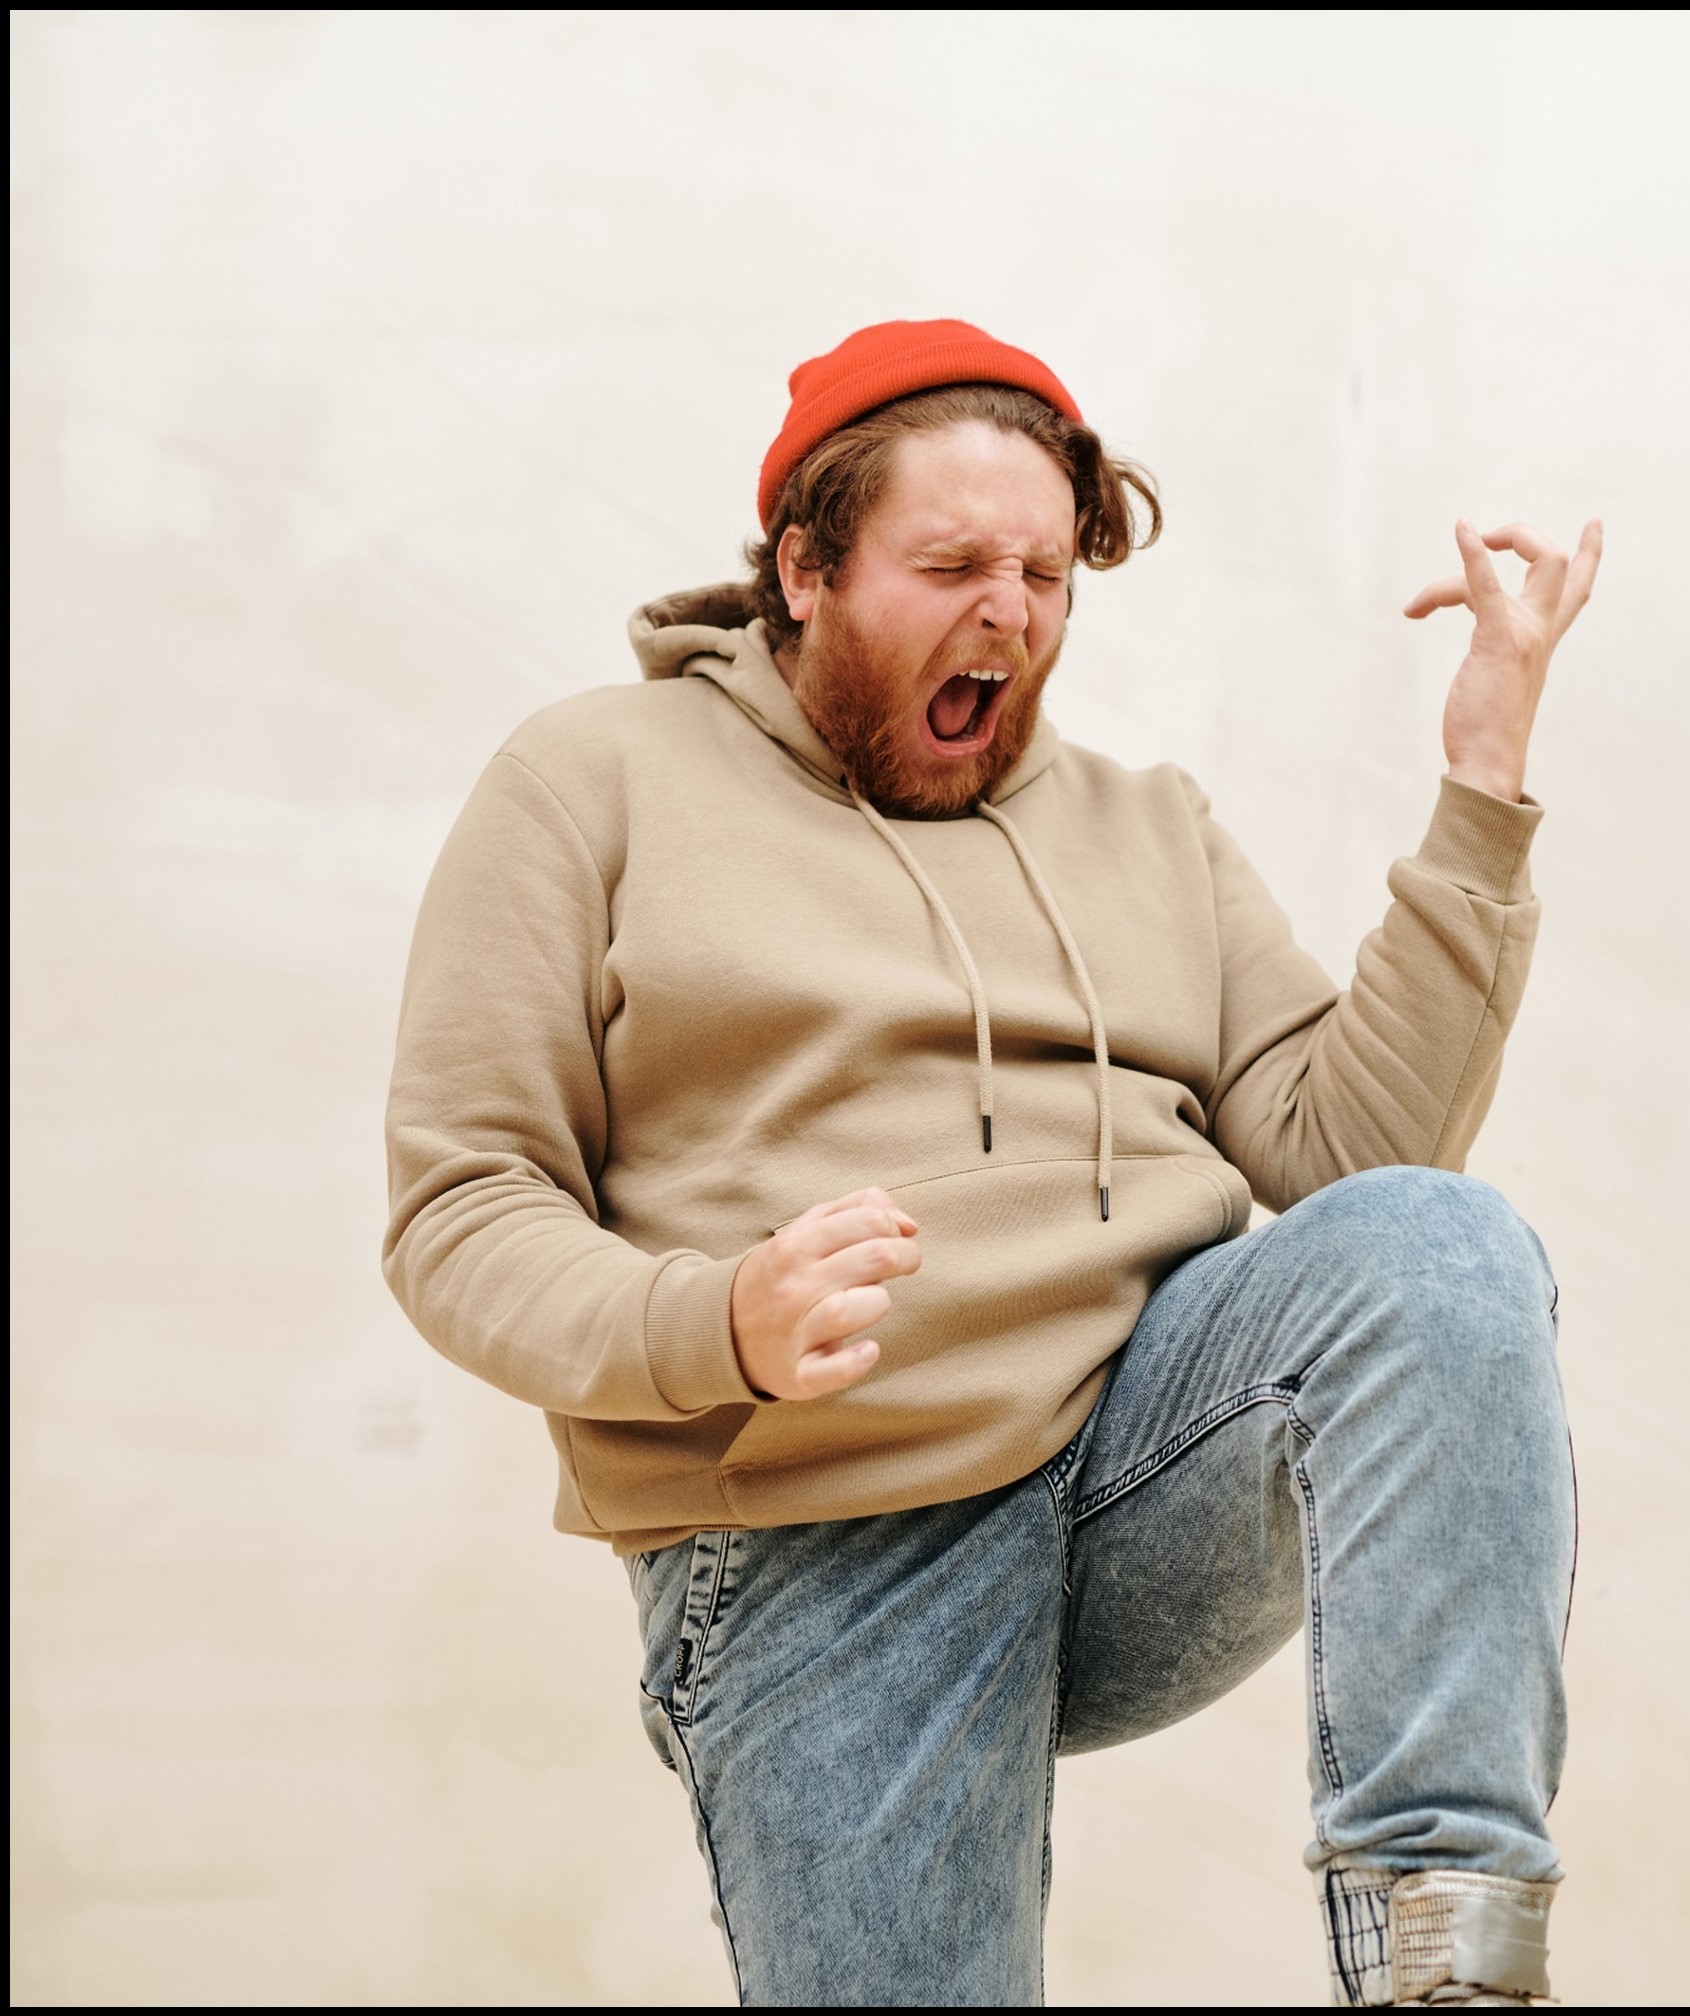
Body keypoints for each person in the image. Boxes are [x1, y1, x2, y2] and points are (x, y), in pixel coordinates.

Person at [382, 318, 1603, 2007]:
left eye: (1042, 570)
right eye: (952, 565)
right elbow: (462, 1205)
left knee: (1440, 1249)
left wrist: (1481, 784)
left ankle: (1450, 1962)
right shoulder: (589, 780)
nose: (1011, 613)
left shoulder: (1146, 823)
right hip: (821, 1526)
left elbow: (1359, 1154)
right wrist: (713, 1322)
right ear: (803, 569)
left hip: (1142, 1460)